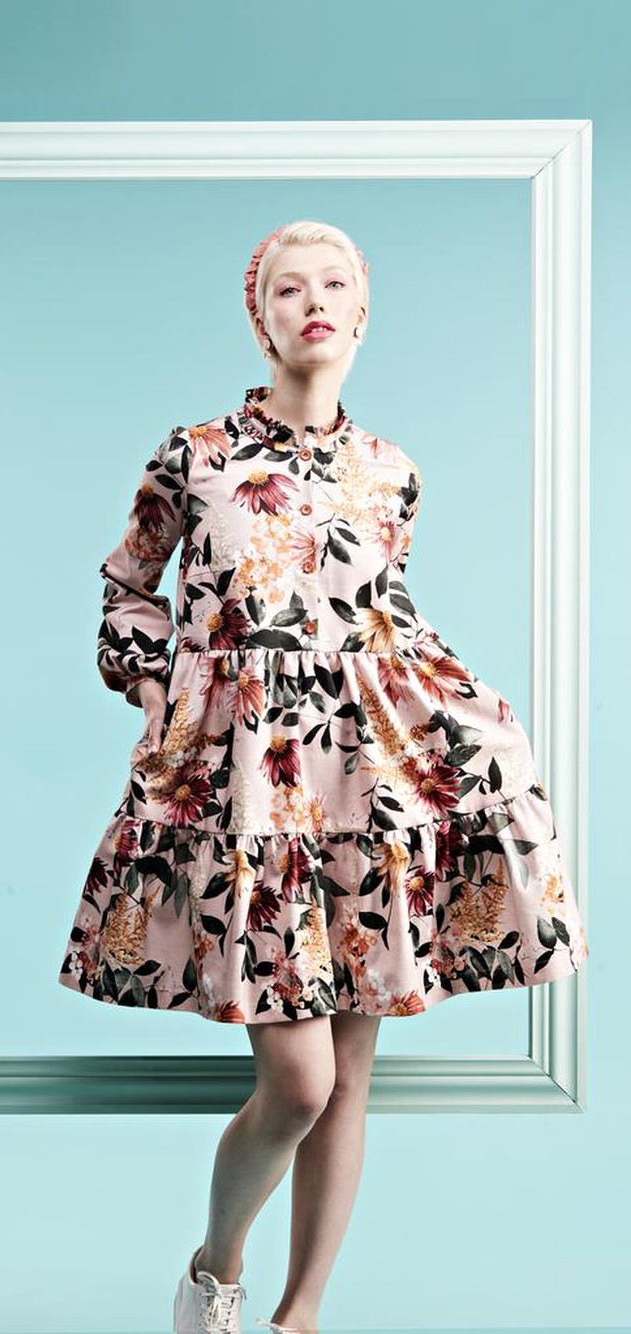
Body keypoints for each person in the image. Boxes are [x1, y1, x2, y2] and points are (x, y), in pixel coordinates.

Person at [57, 220, 590, 1334]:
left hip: (364, 784)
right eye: (288, 287)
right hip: (244, 787)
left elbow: (385, 630)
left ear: (361, 312)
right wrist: (154, 686)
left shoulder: (392, 473)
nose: (313, 301)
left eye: (334, 284)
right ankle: (214, 1274)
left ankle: (299, 1318)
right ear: (260, 320)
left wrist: (478, 724)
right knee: (297, 1083)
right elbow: (125, 587)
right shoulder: (195, 454)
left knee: (348, 1077)